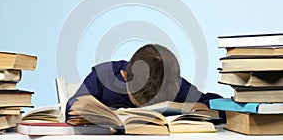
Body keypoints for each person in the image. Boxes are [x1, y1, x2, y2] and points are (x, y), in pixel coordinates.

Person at [66, 44, 225, 122]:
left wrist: (200, 107)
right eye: (138, 100)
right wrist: (85, 113)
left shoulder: (171, 82)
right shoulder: (104, 76)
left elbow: (217, 105)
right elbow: (73, 106)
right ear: (125, 75)